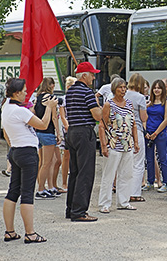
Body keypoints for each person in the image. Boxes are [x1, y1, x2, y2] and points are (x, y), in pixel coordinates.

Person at [2, 78, 57, 243]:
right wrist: (49, 108)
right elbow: (43, 124)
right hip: (27, 152)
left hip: (16, 150)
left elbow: (6, 132)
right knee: (27, 194)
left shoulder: (7, 107)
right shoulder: (20, 111)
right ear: (17, 93)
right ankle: (30, 233)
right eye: (24, 90)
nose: (27, 93)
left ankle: (10, 231)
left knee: (13, 192)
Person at [65, 62, 102, 222]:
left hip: (72, 131)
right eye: (92, 74)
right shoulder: (87, 92)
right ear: (84, 75)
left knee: (74, 172)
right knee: (85, 173)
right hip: (84, 132)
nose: (94, 77)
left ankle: (71, 209)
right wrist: (103, 107)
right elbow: (97, 116)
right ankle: (79, 211)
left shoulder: (70, 91)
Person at [98, 78, 140, 213]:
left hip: (127, 144)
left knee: (126, 174)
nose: (123, 90)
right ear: (114, 89)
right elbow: (102, 125)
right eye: (120, 87)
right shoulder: (108, 104)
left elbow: (133, 124)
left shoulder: (129, 103)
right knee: (109, 175)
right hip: (113, 143)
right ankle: (105, 203)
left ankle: (123, 201)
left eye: (124, 87)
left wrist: (136, 142)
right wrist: (104, 145)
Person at [34, 78, 61, 200]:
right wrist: (58, 133)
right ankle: (40, 189)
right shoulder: (51, 98)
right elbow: (54, 117)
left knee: (43, 163)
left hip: (38, 132)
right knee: (47, 163)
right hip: (48, 132)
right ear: (51, 85)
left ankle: (47, 187)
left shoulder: (38, 98)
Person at [143, 80, 167, 193]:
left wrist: (156, 133)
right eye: (155, 87)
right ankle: (150, 182)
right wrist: (146, 132)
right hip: (148, 133)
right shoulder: (149, 102)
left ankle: (165, 183)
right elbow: (143, 115)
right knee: (149, 159)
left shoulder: (166, 102)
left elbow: (166, 119)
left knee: (162, 158)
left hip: (160, 134)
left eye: (159, 88)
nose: (156, 90)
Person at [123, 74, 148, 202]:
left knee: (126, 162)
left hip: (123, 131)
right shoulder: (140, 97)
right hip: (136, 130)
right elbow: (143, 118)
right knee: (138, 163)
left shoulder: (123, 95)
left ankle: (124, 191)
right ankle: (134, 193)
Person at [57, 76, 77, 192]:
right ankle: (64, 183)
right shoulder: (64, 99)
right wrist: (67, 126)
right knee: (66, 156)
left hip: (76, 128)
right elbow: (62, 115)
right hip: (67, 130)